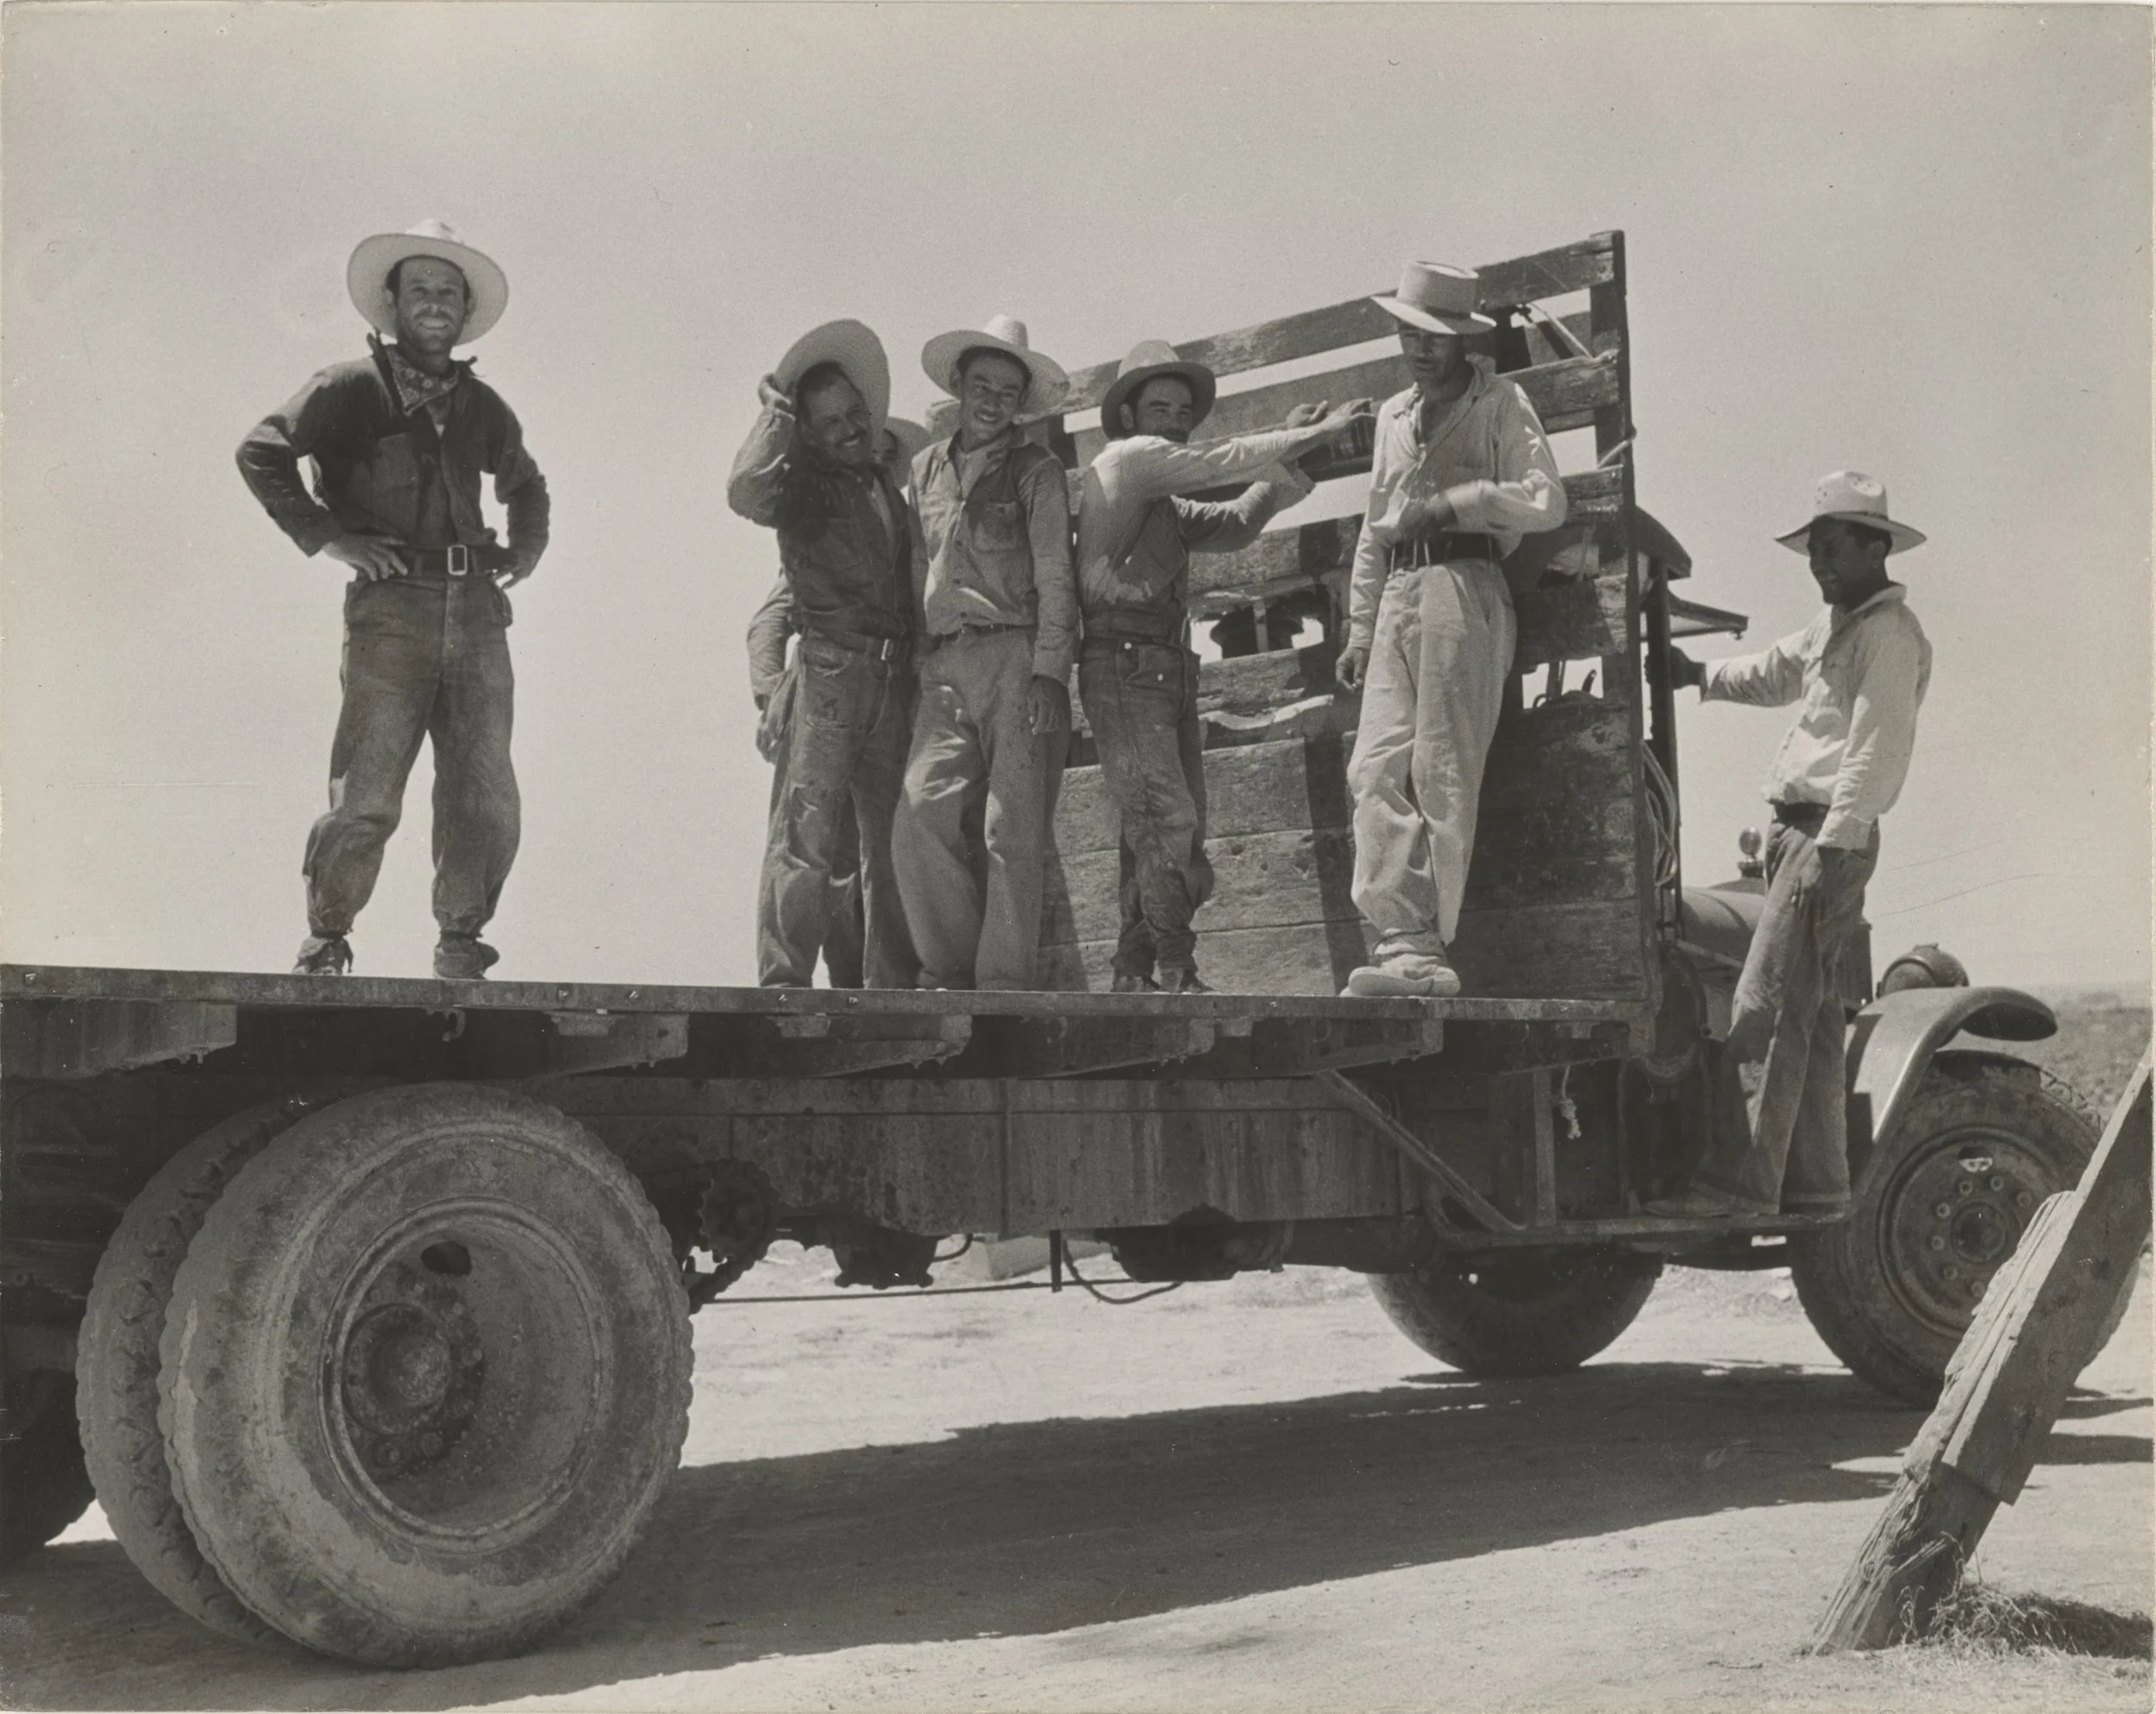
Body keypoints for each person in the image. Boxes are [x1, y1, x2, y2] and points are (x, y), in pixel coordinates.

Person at [238, 220, 549, 980]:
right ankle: (328, 940)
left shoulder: (483, 407)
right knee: (368, 790)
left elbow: (528, 486)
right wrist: (330, 538)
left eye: (448, 293)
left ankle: (461, 940)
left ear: (464, 309)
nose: (436, 305)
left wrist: (524, 550)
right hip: (390, 610)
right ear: (393, 303)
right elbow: (261, 450)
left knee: (484, 789)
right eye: (421, 291)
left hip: (476, 614)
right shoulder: (348, 387)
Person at [1647, 471, 1932, 1220]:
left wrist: (1833, 848)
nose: (1818, 559)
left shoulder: (1887, 636)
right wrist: (1698, 673)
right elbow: (1776, 671)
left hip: (1825, 836)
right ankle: (1816, 1184)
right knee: (1810, 1016)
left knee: (1765, 1003)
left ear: (1876, 547)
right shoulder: (1834, 626)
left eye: (1832, 545)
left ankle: (1735, 1189)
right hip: (1802, 834)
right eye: (1813, 547)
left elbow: (1875, 751)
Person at [1076, 340, 1372, 993]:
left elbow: (1238, 522)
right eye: (1159, 407)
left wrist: (1295, 459)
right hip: (1126, 663)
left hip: (1163, 666)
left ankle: (1134, 970)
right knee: (1167, 821)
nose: (1175, 419)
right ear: (1127, 418)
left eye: (1184, 409)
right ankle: (1178, 971)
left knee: (1160, 825)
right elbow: (1217, 461)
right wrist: (1307, 434)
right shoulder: (1127, 462)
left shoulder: (1161, 500)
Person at [1337, 261, 1569, 996]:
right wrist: (1357, 624)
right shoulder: (1392, 417)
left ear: (1464, 339)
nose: (1419, 347)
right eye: (1409, 331)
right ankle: (1398, 937)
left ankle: (1426, 954)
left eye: (1435, 336)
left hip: (1464, 587)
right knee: (1373, 766)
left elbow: (1545, 499)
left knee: (1441, 769)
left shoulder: (1499, 400)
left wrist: (1462, 501)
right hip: (1400, 591)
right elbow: (1375, 531)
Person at [728, 322, 919, 989]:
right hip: (831, 674)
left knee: (892, 842)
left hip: (889, 681)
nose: (847, 429)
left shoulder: (888, 497)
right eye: (828, 421)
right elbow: (745, 490)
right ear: (805, 433)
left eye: (855, 414)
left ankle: (889, 989)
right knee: (806, 835)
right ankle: (783, 985)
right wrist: (775, 414)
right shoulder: (803, 494)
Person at [894, 315, 1078, 992]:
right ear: (958, 386)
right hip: (944, 662)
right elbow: (920, 565)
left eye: (1008, 389)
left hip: (1015, 655)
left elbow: (1057, 574)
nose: (993, 399)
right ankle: (947, 972)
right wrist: (921, 657)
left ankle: (1002, 989)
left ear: (1021, 401)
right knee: (919, 813)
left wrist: (1050, 673)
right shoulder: (924, 469)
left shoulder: (1038, 472)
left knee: (1011, 829)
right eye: (982, 384)